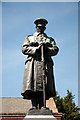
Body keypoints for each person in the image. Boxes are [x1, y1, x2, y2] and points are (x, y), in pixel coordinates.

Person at [21, 18, 59, 111]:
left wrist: (47, 49)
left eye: (42, 27)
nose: (40, 29)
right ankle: (34, 105)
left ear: (45, 28)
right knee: (32, 84)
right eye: (39, 27)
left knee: (45, 84)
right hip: (33, 63)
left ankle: (43, 105)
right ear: (36, 27)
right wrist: (35, 49)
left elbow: (55, 50)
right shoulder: (30, 38)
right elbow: (24, 49)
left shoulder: (50, 40)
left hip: (45, 63)